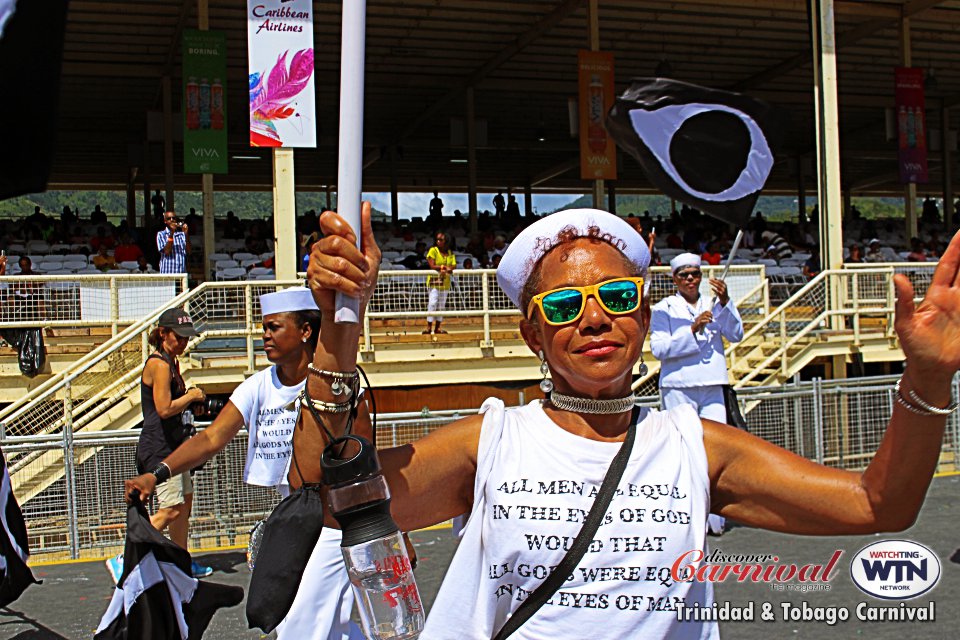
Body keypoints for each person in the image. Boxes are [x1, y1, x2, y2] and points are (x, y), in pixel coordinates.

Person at [300, 204, 960, 637]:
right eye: (562, 306)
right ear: (532, 334)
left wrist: (927, 377)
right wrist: (336, 329)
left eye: (616, 298)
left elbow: (880, 502)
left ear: (643, 320)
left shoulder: (696, 449)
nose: (593, 318)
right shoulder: (493, 443)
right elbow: (325, 498)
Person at [124, 289, 367, 640]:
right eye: (263, 328)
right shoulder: (257, 387)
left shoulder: (338, 387)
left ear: (305, 331)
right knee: (313, 624)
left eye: (274, 327)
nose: (265, 335)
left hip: (339, 519)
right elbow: (210, 439)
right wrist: (157, 473)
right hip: (294, 515)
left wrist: (390, 525)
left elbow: (366, 457)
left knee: (299, 623)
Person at [107, 308, 211, 583]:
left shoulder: (171, 362)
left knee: (184, 505)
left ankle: (180, 562)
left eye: (187, 338)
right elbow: (164, 408)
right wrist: (190, 396)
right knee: (172, 508)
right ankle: (125, 556)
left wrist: (191, 403)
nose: (183, 343)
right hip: (160, 447)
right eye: (179, 337)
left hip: (175, 445)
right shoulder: (159, 364)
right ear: (163, 334)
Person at [650, 252, 743, 536]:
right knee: (683, 451)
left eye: (695, 274)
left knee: (714, 450)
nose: (690, 279)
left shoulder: (715, 304)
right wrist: (693, 328)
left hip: (712, 383)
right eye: (684, 275)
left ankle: (716, 518)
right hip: (679, 385)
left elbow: (736, 333)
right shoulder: (663, 309)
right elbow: (659, 349)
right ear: (675, 279)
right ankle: (688, 519)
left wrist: (726, 303)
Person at [424, 231, 456, 335]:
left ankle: (437, 328)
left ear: (446, 241)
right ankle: (429, 327)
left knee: (441, 305)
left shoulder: (450, 252)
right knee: (433, 303)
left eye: (441, 240)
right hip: (434, 281)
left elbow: (453, 265)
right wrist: (444, 267)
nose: (438, 241)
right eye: (437, 239)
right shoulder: (433, 250)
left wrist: (448, 269)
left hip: (445, 282)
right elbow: (432, 265)